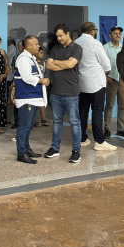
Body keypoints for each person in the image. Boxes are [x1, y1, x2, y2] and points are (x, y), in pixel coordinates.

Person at [44, 23, 83, 163]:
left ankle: (76, 151)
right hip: (55, 92)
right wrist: (64, 63)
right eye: (57, 36)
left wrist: (57, 62)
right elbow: (49, 65)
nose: (59, 38)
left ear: (68, 34)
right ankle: (55, 148)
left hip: (71, 92)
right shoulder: (55, 48)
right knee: (56, 121)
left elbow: (70, 65)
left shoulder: (77, 48)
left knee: (74, 122)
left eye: (61, 35)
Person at [75, 21, 115, 151]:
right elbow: (107, 65)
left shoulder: (75, 43)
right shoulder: (95, 43)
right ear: (92, 31)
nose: (96, 32)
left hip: (81, 83)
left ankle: (82, 138)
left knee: (83, 110)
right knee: (97, 111)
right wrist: (103, 74)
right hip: (96, 83)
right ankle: (99, 141)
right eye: (96, 30)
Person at [13, 35, 48, 164]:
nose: (38, 46)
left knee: (29, 126)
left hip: (33, 97)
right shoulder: (23, 59)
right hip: (26, 97)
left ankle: (26, 149)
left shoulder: (31, 58)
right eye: (36, 44)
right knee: (24, 126)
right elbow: (27, 77)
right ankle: (21, 153)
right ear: (28, 46)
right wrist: (42, 81)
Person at [103, 27, 123, 137]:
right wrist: (106, 77)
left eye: (119, 33)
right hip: (112, 80)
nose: (118, 35)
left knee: (122, 106)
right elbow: (100, 64)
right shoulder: (105, 48)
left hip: (123, 81)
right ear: (110, 35)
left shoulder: (123, 48)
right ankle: (107, 128)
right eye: (115, 33)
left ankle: (121, 128)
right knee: (109, 105)